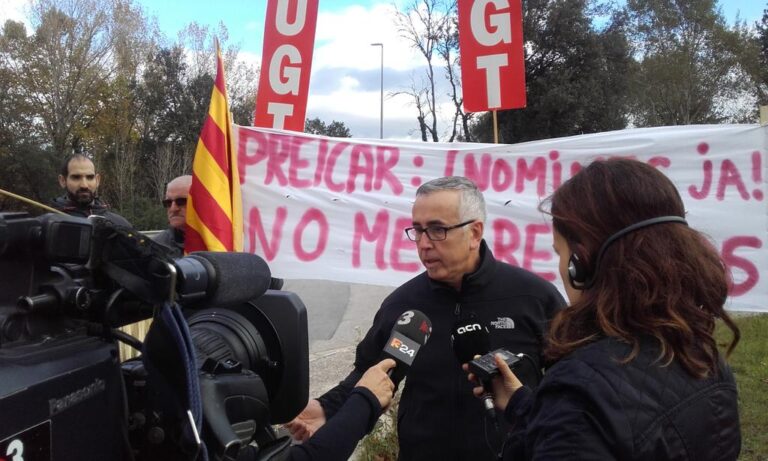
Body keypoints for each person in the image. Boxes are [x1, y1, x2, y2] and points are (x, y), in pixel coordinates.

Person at [466, 158, 741, 460]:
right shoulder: (704, 355)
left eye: (560, 252)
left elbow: (589, 422)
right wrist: (521, 403)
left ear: (580, 266)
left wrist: (559, 408)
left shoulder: (580, 392)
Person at [287, 176, 565, 460]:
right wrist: (326, 408)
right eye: (417, 230)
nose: (423, 243)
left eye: (437, 230)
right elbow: (374, 372)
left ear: (474, 233)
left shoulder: (533, 298)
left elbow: (568, 387)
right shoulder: (404, 305)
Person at [51, 154, 132, 228]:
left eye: (90, 177)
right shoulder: (48, 223)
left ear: (97, 180)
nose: (84, 185)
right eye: (76, 177)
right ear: (63, 181)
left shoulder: (120, 224)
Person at [154, 175, 192, 257]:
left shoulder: (221, 242)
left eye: (181, 202)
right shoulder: (156, 247)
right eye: (168, 203)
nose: (173, 209)